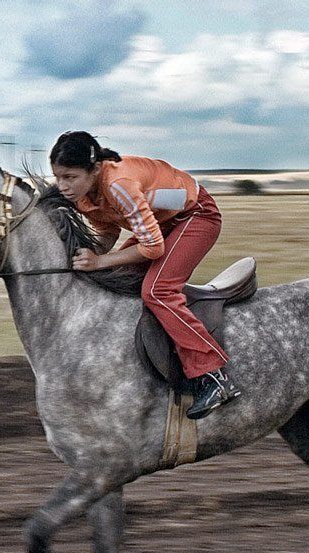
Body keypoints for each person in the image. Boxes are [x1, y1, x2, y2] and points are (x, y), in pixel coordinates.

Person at [49, 130, 240, 420]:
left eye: (70, 177)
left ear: (95, 169)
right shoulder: (84, 194)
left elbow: (152, 248)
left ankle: (213, 377)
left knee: (158, 291)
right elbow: (109, 229)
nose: (63, 186)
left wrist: (99, 261)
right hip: (162, 224)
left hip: (196, 215)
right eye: (58, 177)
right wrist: (93, 262)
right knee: (114, 277)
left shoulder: (118, 184)